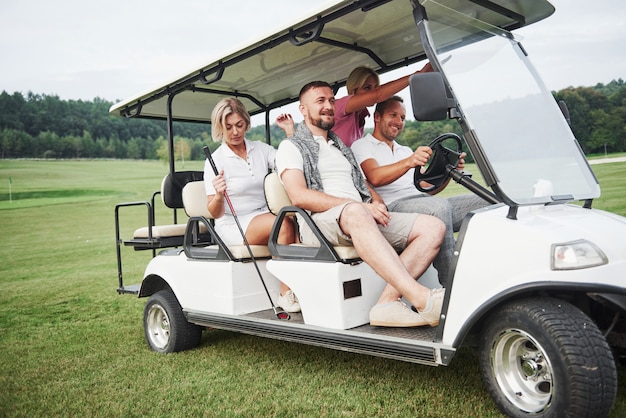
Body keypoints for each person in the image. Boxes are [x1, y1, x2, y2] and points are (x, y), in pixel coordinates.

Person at [275, 81, 446, 328]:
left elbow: (362, 183)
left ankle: (386, 303)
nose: (328, 106)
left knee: (433, 226)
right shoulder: (291, 147)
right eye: (320, 101)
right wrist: (361, 207)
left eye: (332, 101)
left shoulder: (339, 146)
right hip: (318, 223)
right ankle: (421, 298)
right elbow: (299, 196)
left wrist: (376, 201)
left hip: (356, 216)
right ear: (303, 109)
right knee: (355, 211)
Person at [351, 96, 489, 286]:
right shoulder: (362, 146)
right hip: (394, 208)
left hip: (423, 202)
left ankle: (485, 268)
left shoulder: (404, 150)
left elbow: (427, 188)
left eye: (402, 117)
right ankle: (452, 285)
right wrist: (409, 162)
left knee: (487, 199)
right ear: (377, 117)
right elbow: (374, 177)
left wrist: (449, 171)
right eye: (393, 115)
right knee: (438, 208)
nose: (399, 122)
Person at [204, 98, 300, 313]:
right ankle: (286, 293)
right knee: (283, 225)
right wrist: (219, 195)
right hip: (233, 223)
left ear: (246, 123)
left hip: (263, 215)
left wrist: (290, 135)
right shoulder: (216, 160)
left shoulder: (260, 149)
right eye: (228, 127)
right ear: (220, 127)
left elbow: (288, 162)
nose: (235, 132)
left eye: (239, 125)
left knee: (298, 221)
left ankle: (300, 284)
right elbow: (214, 212)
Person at [277, 63, 432, 147]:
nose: (371, 93)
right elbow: (377, 96)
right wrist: (415, 76)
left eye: (373, 88)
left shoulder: (362, 117)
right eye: (367, 88)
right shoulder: (342, 105)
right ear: (354, 89)